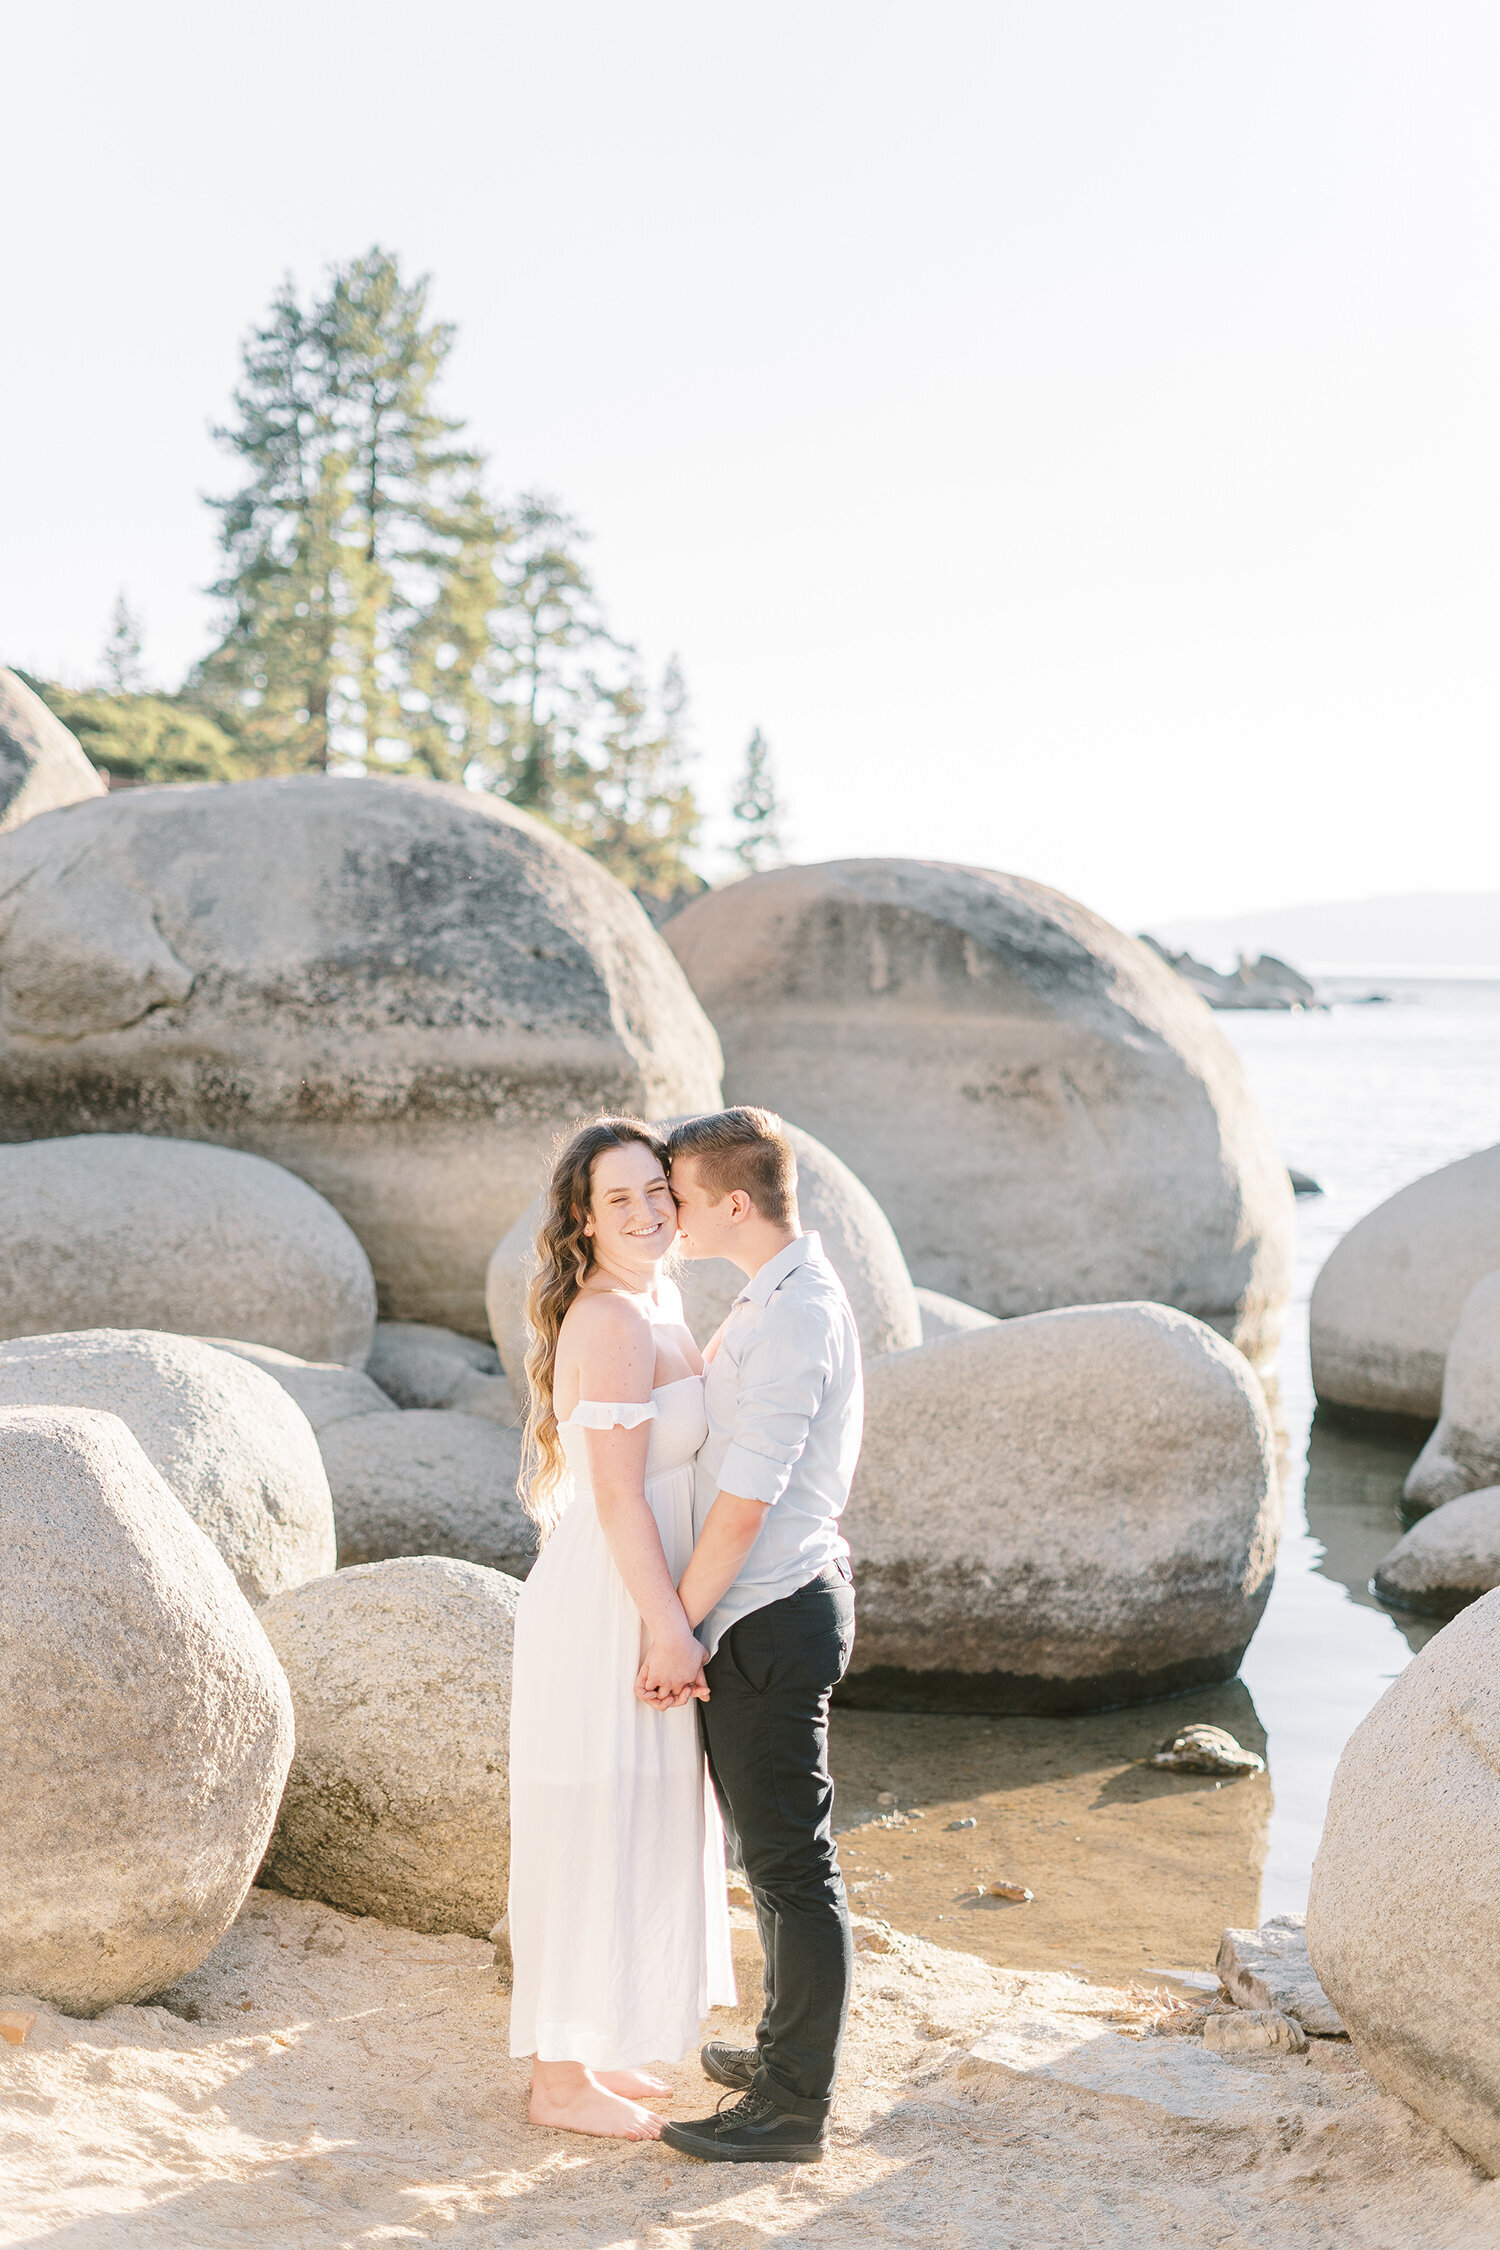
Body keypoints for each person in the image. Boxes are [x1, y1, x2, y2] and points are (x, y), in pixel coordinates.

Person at [506, 1116, 735, 2141]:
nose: (645, 1213)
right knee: (591, 1818)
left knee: (641, 1814)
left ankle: (591, 2047)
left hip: (644, 1595)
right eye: (618, 1200)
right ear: (581, 1221)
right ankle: (557, 2082)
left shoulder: (661, 1298)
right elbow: (618, 1500)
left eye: (657, 1191)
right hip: (609, 1603)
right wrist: (667, 1630)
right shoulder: (608, 1320)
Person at [648, 1106, 863, 2166]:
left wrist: (675, 1628)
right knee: (775, 1857)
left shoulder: (791, 1315)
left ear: (733, 1202)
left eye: (678, 1195)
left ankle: (791, 2109)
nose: (666, 1213)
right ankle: (785, 2051)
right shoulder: (772, 1295)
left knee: (790, 1866)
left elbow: (743, 1504)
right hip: (767, 1605)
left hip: (767, 1612)